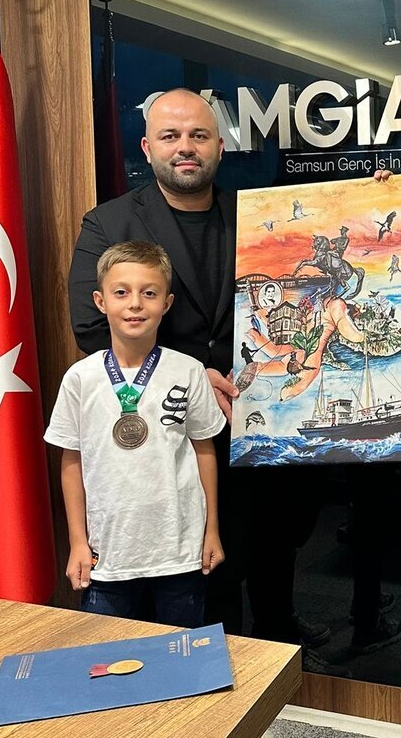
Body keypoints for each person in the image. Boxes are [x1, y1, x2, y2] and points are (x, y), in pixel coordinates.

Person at [67, 89, 334, 664]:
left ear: (219, 145)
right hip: (172, 428)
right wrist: (190, 374)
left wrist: (381, 193)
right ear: (148, 147)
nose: (185, 147)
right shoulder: (109, 222)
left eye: (198, 136)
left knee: (275, 539)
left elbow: (321, 241)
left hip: (261, 414)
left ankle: (280, 644)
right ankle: (217, 669)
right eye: (170, 136)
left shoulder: (254, 215)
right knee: (205, 566)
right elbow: (90, 325)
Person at [46, 241, 225, 624]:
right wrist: (77, 541)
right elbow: (72, 462)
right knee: (104, 652)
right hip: (108, 555)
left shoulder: (189, 371)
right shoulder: (80, 379)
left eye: (149, 293)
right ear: (100, 301)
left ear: (167, 303)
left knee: (181, 650)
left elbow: (204, 451)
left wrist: (212, 530)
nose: (135, 304)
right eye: (121, 292)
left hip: (180, 550)